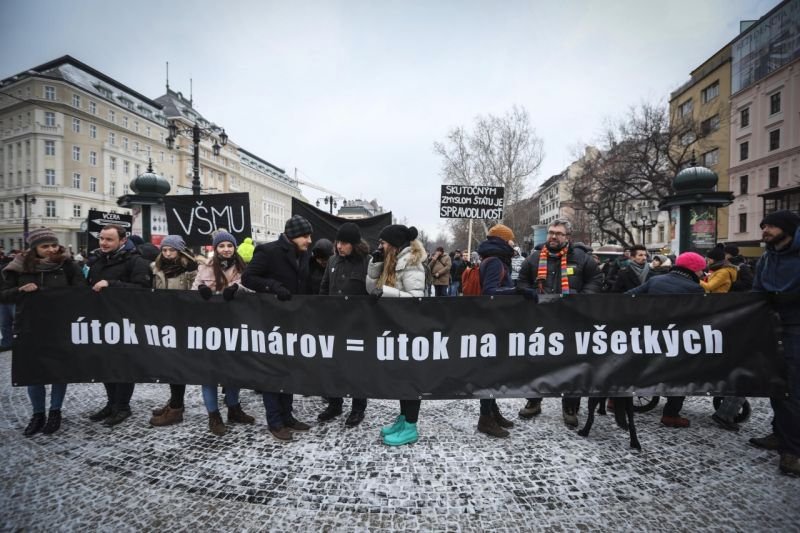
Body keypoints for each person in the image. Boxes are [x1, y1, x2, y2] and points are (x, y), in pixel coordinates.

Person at [516, 218, 603, 427]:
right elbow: (521, 281)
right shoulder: (534, 258)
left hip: (572, 321)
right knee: (538, 362)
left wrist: (582, 297)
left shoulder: (582, 259)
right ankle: (534, 401)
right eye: (551, 233)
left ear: (567, 237)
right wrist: (529, 292)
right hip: (541, 321)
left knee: (572, 364)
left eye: (558, 233)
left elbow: (596, 280)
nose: (553, 236)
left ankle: (570, 406)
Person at [0, 228, 86, 436]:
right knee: (33, 373)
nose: (51, 250)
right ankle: (38, 413)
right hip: (29, 326)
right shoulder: (18, 267)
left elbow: (80, 290)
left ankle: (55, 411)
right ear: (34, 249)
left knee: (58, 371)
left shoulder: (67, 265)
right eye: (45, 246)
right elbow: (3, 295)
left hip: (59, 326)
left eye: (53, 245)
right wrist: (21, 291)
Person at [243, 215, 315, 442]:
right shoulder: (268, 251)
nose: (309, 240)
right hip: (271, 322)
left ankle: (288, 416)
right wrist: (273, 286)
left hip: (294, 322)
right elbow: (248, 277)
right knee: (273, 373)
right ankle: (275, 421)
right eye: (305, 236)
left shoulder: (304, 255)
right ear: (292, 236)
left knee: (289, 370)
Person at [627, 251, 706, 428]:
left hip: (649, 336)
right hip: (675, 341)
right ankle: (671, 414)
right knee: (679, 376)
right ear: (693, 270)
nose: (702, 274)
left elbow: (628, 296)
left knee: (638, 368)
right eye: (701, 270)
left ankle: (616, 400)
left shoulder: (656, 280)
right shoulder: (695, 289)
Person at [748, 210, 800, 476]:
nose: (764, 230)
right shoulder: (768, 257)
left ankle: (793, 451)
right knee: (776, 382)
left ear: (787, 228)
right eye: (763, 225)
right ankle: (780, 434)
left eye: (770, 225)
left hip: (795, 328)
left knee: (793, 389)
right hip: (773, 326)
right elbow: (758, 291)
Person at [366, 224, 427, 446]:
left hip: (410, 330)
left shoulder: (412, 263)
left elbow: (415, 298)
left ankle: (411, 425)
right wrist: (375, 265)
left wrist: (387, 292)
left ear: (392, 244)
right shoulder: (391, 261)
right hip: (396, 326)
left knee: (410, 379)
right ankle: (403, 419)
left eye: (382, 243)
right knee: (401, 378)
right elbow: (371, 289)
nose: (379, 246)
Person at [86, 224, 152, 426]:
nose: (104, 243)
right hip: (102, 321)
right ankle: (111, 403)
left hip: (126, 322)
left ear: (122, 241)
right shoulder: (96, 260)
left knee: (123, 365)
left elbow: (142, 289)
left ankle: (122, 406)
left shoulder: (136, 261)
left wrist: (111, 284)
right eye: (102, 239)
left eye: (109, 239)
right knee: (105, 364)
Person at [192, 230, 255, 436]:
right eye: (222, 246)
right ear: (216, 248)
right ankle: (214, 415)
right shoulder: (205, 268)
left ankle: (234, 407)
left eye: (229, 245)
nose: (226, 249)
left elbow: (253, 290)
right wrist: (200, 291)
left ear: (234, 247)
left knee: (234, 369)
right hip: (209, 327)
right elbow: (192, 292)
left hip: (235, 326)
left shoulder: (243, 268)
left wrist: (238, 289)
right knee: (209, 372)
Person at [474, 224, 531, 438]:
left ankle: (492, 411)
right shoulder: (496, 261)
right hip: (492, 323)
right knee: (490, 371)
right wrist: (516, 290)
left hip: (493, 321)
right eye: (510, 240)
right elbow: (490, 291)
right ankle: (485, 418)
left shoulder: (493, 259)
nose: (513, 243)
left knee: (493, 370)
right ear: (501, 240)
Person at [318, 222, 370, 427]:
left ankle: (358, 409)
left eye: (345, 243)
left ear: (355, 244)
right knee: (333, 366)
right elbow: (324, 289)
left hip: (357, 327)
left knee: (357, 368)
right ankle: (334, 404)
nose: (340, 246)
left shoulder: (367, 262)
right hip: (333, 324)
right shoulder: (332, 260)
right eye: (338, 242)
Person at [148, 235, 199, 427]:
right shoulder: (156, 268)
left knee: (177, 365)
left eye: (172, 250)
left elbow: (195, 293)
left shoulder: (190, 269)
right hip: (165, 321)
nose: (168, 254)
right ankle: (175, 401)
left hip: (184, 322)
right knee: (169, 364)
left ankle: (176, 408)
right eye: (165, 250)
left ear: (180, 251)